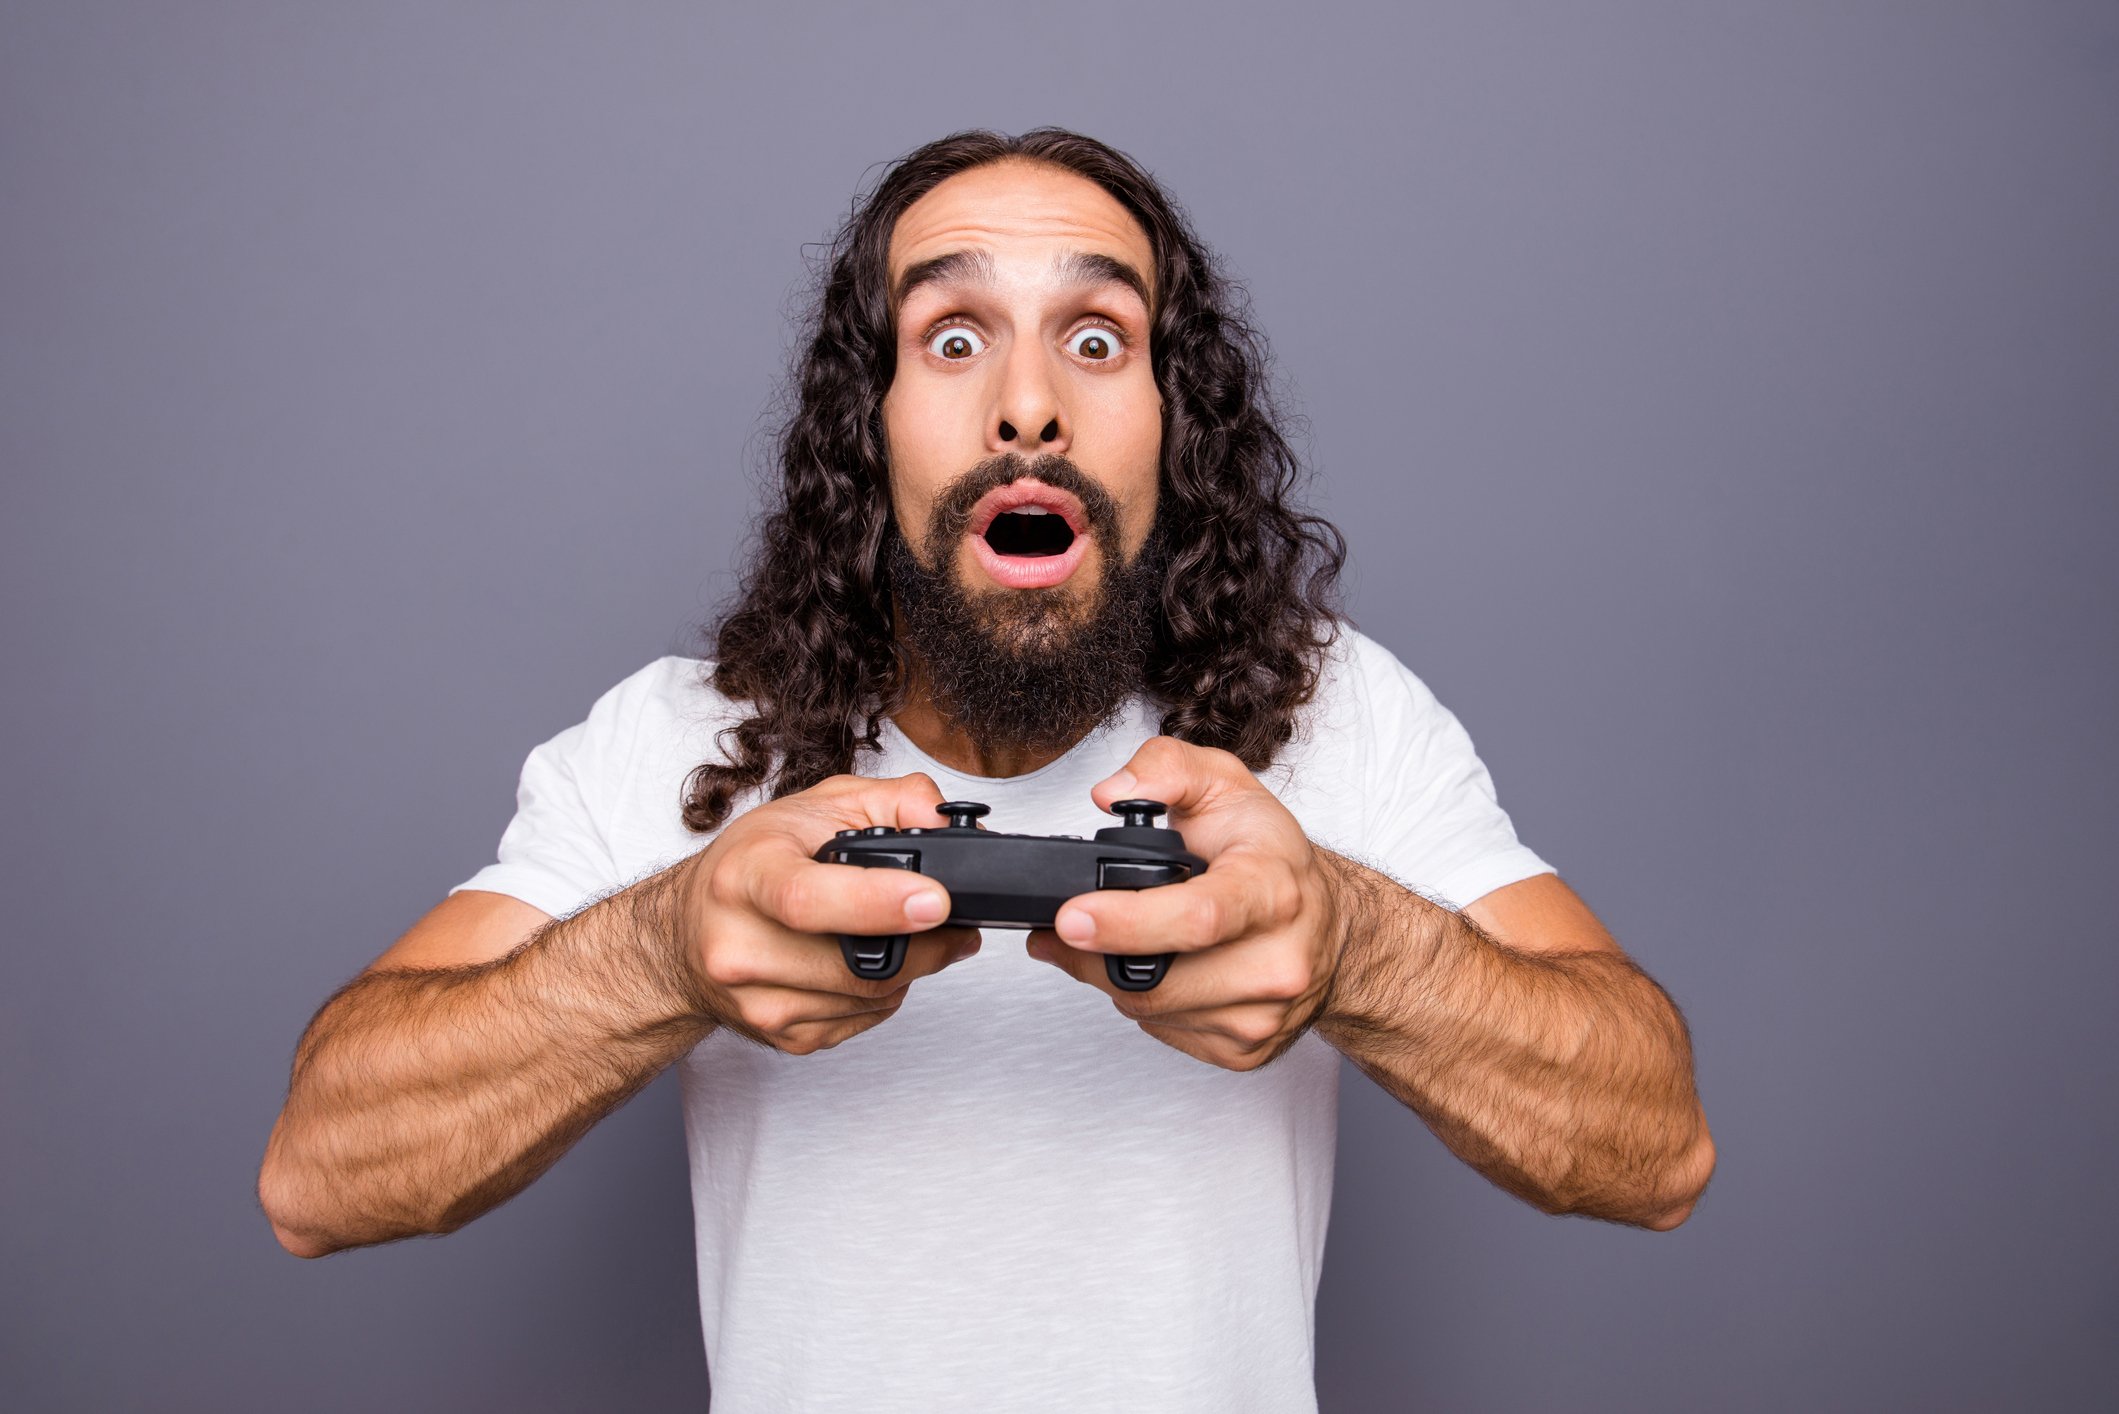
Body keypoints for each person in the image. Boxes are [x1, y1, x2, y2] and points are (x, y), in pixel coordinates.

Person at [258, 128, 1715, 1412]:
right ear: (867, 420)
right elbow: (317, 1175)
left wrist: (1357, 943)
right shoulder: (683, 737)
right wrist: (662, 948)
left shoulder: (1333, 721)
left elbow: (1656, 1149)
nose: (1029, 405)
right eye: (954, 338)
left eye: (1097, 339)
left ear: (1173, 421)